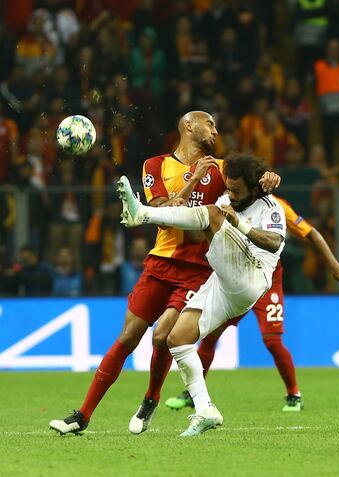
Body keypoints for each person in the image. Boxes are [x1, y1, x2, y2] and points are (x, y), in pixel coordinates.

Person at [49, 110, 279, 436]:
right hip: (160, 262)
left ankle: (151, 398)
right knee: (127, 338)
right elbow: (159, 213)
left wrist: (271, 177)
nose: (215, 129)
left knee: (162, 336)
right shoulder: (155, 165)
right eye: (208, 123)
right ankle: (82, 416)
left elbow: (255, 180)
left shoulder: (222, 167)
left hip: (198, 269)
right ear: (188, 125)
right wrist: (193, 181)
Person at [117, 152, 287, 436]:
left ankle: (143, 213)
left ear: (255, 188)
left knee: (212, 212)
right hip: (222, 281)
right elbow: (200, 231)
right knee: (177, 338)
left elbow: (272, 243)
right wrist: (186, 208)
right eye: (228, 188)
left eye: (237, 190)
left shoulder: (271, 207)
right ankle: (205, 410)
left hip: (251, 277)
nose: (230, 195)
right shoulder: (226, 203)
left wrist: (236, 223)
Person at [165, 196, 339, 413]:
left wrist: (335, 265)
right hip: (236, 281)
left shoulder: (276, 205)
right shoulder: (228, 200)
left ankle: (294, 395)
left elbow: (310, 232)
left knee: (272, 340)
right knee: (210, 336)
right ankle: (192, 395)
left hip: (267, 281)